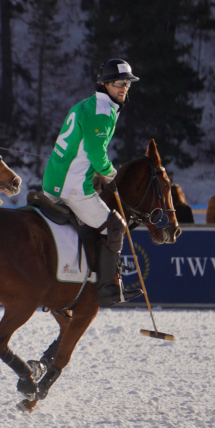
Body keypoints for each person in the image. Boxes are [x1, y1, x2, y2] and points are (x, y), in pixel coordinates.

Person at [42, 58, 142, 306]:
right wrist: (110, 175)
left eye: (127, 83)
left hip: (53, 180)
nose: (124, 88)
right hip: (73, 187)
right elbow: (98, 156)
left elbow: (82, 149)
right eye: (118, 83)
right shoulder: (103, 113)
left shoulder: (84, 105)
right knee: (115, 226)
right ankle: (108, 289)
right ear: (105, 84)